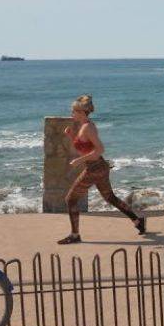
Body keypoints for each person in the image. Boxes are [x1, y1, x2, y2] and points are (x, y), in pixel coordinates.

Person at [59, 95, 146, 244]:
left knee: (70, 199)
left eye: (73, 111)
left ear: (81, 112)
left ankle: (75, 235)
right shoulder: (83, 126)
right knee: (110, 198)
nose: (71, 114)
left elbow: (99, 149)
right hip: (98, 168)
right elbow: (84, 147)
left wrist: (78, 160)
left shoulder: (88, 127)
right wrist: (71, 135)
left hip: (95, 169)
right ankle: (138, 221)